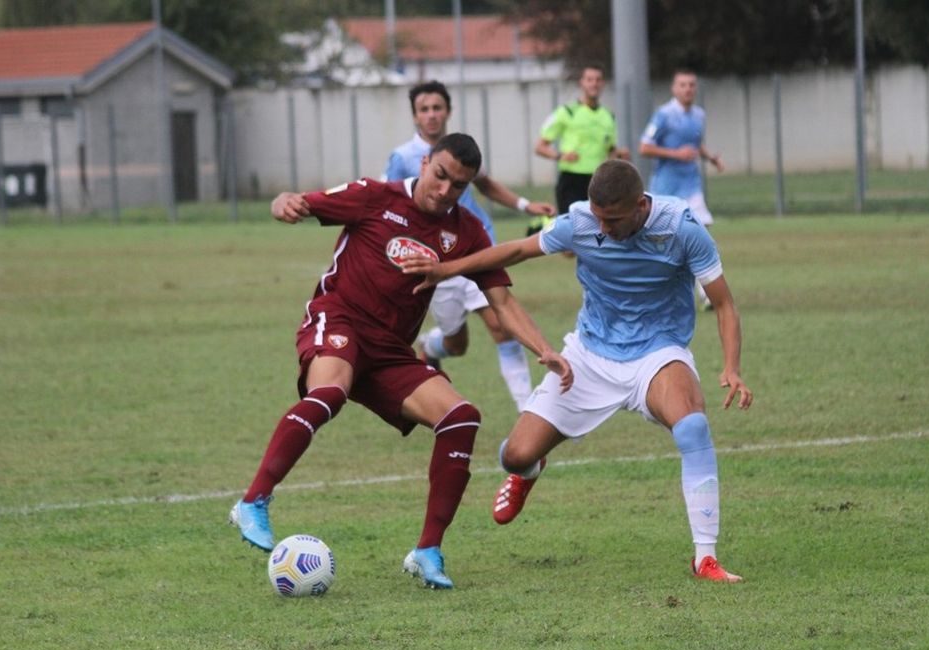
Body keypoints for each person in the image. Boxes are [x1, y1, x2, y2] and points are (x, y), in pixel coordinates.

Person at [230, 133, 573, 590]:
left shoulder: (467, 231)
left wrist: (543, 349)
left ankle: (427, 551)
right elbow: (297, 202)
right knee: (329, 393)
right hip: (340, 319)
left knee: (461, 418)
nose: (445, 190)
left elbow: (503, 302)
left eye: (458, 185)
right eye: (440, 176)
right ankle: (253, 502)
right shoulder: (374, 196)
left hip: (391, 351)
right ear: (425, 162)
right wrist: (282, 202)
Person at [402, 159, 752, 583]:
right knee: (514, 455)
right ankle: (531, 469)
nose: (602, 229)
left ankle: (705, 557)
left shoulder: (681, 227)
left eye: (613, 220)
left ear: (641, 205)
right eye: (598, 217)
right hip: (587, 356)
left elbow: (725, 304)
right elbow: (517, 251)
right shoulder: (580, 222)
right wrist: (446, 269)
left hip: (657, 354)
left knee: (693, 427)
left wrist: (732, 367)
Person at [384, 80, 556, 411]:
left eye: (437, 108)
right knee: (456, 344)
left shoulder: (463, 151)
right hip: (435, 262)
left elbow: (486, 184)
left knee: (501, 327)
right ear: (415, 116)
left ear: (448, 111)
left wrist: (525, 205)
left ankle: (527, 409)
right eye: (424, 109)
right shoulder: (403, 157)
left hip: (478, 248)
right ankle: (432, 347)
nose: (431, 115)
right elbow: (389, 203)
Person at [639, 69, 725, 310]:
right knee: (661, 242)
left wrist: (711, 158)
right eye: (683, 85)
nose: (688, 89)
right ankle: (652, 291)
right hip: (665, 188)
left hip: (691, 186)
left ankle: (707, 294)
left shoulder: (699, 115)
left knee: (702, 233)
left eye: (691, 85)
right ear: (674, 88)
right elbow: (644, 147)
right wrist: (676, 154)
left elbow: (696, 144)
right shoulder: (664, 115)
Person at [535, 63, 630, 221]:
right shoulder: (567, 112)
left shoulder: (608, 116)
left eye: (598, 80)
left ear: (603, 83)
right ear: (582, 82)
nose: (594, 83)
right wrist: (560, 156)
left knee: (601, 227)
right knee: (573, 227)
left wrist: (619, 154)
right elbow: (540, 147)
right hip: (572, 180)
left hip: (599, 181)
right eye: (589, 79)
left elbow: (610, 150)